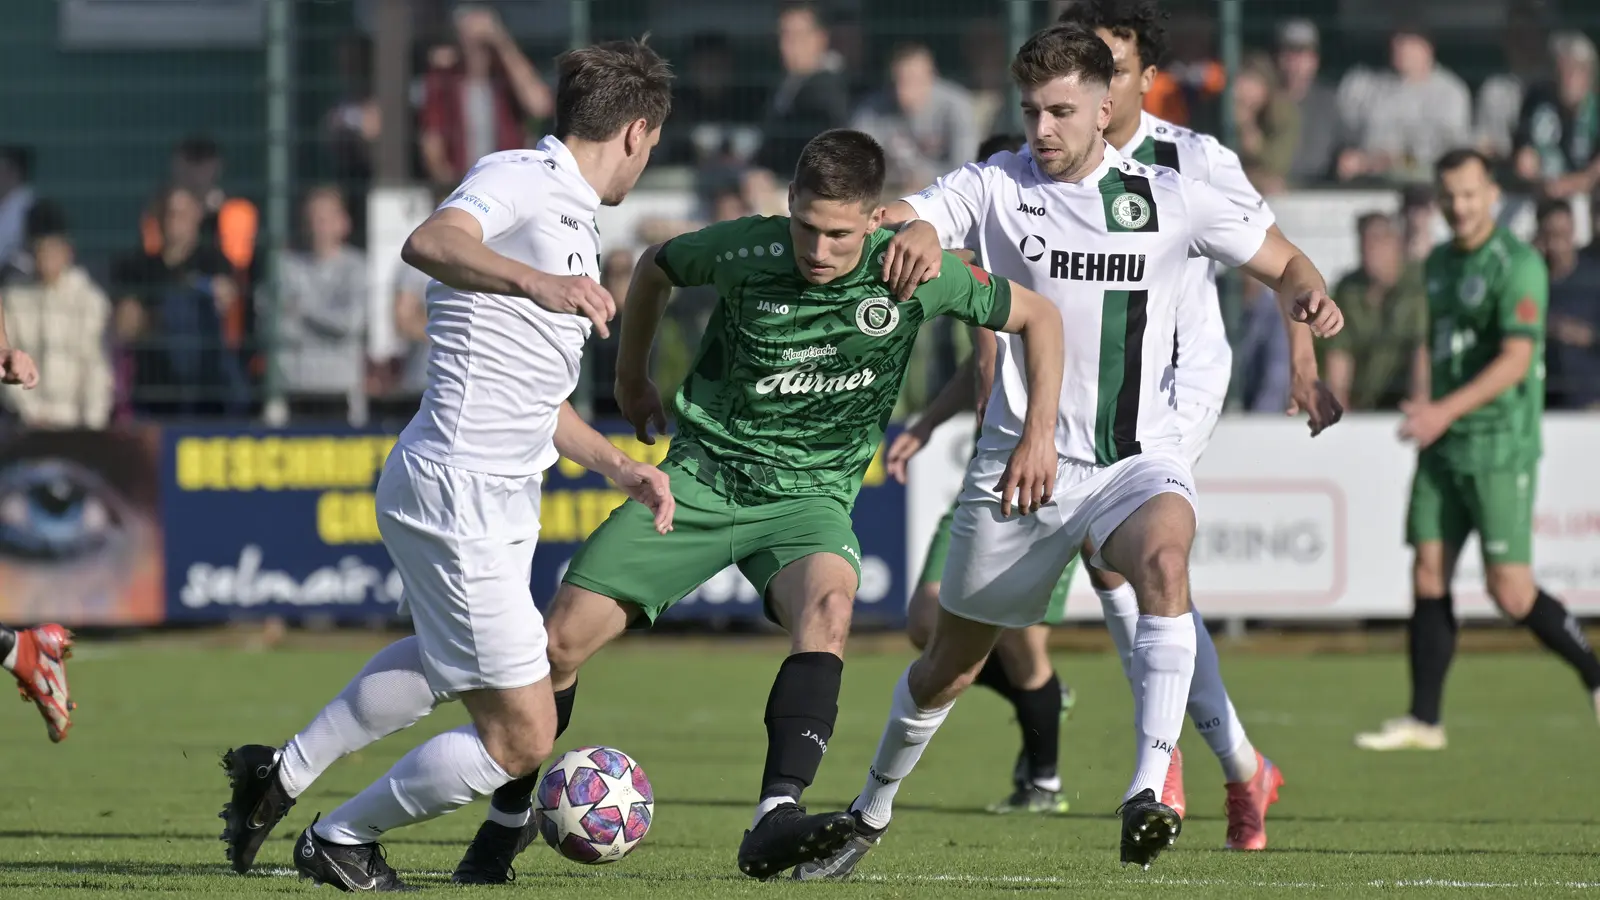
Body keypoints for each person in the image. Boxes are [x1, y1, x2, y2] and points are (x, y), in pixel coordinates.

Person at [796, 24, 1344, 877]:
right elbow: (914, 212)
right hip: (1021, 469)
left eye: (1059, 111)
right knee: (947, 665)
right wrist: (910, 229)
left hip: (1132, 460)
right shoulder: (996, 185)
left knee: (1164, 559)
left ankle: (1148, 790)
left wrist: (1311, 293)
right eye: (1030, 112)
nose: (1042, 129)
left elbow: (1284, 263)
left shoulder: (1172, 195)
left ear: (1105, 104)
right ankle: (870, 811)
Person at [454, 127, 1067, 884]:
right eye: (806, 226)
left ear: (875, 219)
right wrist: (631, 376)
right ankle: (507, 821)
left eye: (839, 235)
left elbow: (1040, 318)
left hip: (809, 500)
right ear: (790, 205)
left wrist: (1039, 435)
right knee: (558, 647)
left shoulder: (916, 270)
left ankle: (775, 816)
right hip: (701, 482)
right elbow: (655, 266)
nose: (818, 249)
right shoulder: (747, 248)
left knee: (830, 608)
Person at [215, 39, 676, 892]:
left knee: (437, 661)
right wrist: (534, 282)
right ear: (637, 132)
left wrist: (619, 465)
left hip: (490, 494)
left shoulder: (573, 215)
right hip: (459, 488)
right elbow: (430, 240)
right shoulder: (522, 177)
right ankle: (340, 840)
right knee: (524, 735)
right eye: (652, 145)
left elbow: (537, 396)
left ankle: (277, 775)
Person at [1005, 0, 1298, 850]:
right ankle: (1238, 765)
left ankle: (1162, 765)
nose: (1103, 86)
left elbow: (1275, 254)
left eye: (1118, 68)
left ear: (1139, 78)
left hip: (1175, 386)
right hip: (1086, 387)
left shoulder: (1194, 159)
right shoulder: (1041, 164)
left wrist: (1306, 360)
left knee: (1134, 558)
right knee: (1126, 572)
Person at [1356, 149, 1600, 752]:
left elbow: (1517, 360)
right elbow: (1437, 345)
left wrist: (1443, 410)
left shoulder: (1518, 265)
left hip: (1498, 444)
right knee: (1428, 569)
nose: (1459, 206)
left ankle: (1594, 675)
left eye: (1470, 194)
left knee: (1510, 590)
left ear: (1492, 194)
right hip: (1444, 443)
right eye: (1450, 196)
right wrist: (1426, 403)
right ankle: (1425, 720)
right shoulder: (1439, 263)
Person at [884, 132, 1079, 817]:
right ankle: (1045, 699)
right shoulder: (973, 265)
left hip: (1051, 472)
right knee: (926, 620)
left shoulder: (1056, 271)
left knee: (1021, 642)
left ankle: (1044, 779)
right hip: (985, 470)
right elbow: (982, 366)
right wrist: (927, 424)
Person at [1323, 213, 1428, 411]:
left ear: (1396, 243)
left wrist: (1419, 401)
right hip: (1363, 404)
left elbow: (1422, 349)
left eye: (1378, 240)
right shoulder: (1349, 289)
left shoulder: (1418, 284)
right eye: (1364, 242)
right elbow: (1340, 353)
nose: (1369, 249)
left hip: (1407, 400)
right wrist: (1337, 405)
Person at [1535, 199, 1600, 409]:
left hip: (1591, 404)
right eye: (1550, 235)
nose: (1557, 244)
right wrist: (1547, 327)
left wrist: (1589, 336)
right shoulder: (1530, 280)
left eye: (1563, 234)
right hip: (1544, 404)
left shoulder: (1594, 277)